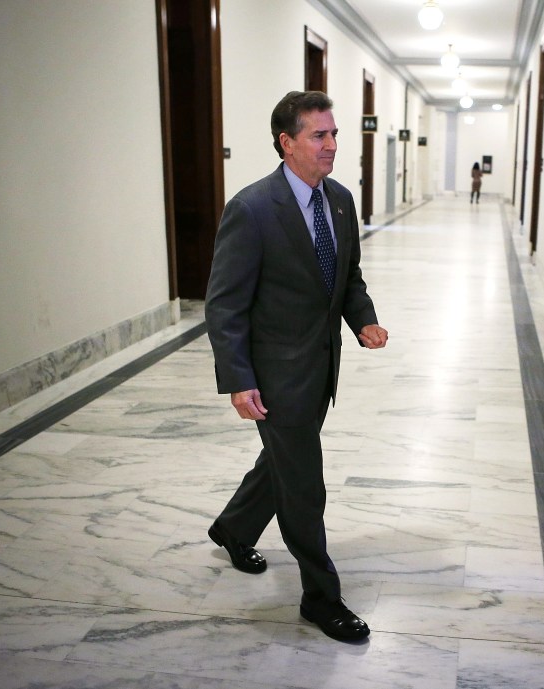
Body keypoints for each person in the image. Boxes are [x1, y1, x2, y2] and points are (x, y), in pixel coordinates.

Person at [204, 90, 388, 643]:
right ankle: (320, 598)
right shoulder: (253, 208)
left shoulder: (339, 201)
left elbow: (346, 275)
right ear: (287, 143)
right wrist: (237, 379)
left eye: (334, 133)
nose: (332, 144)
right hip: (276, 375)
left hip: (320, 367)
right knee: (305, 485)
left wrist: (363, 321)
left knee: (284, 463)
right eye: (319, 135)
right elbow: (225, 303)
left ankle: (234, 527)